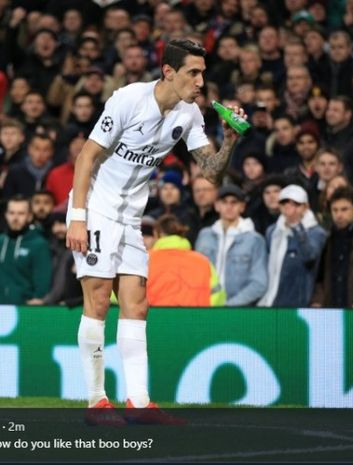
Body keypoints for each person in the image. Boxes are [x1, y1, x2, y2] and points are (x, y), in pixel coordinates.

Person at [65, 39, 245, 423]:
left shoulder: (191, 114)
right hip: (95, 208)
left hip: (131, 218)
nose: (201, 81)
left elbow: (211, 173)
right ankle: (96, 402)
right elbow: (86, 156)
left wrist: (229, 140)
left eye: (202, 73)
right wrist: (78, 217)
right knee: (97, 304)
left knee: (137, 306)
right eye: (193, 72)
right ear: (169, 72)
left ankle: (140, 402)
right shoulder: (128, 99)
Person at [195, 185, 267, 307]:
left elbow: (259, 283)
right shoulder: (204, 235)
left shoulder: (254, 240)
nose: (229, 206)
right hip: (205, 308)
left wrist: (229, 306)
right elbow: (195, 274)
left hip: (239, 311)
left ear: (242, 207)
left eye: (234, 202)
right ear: (217, 206)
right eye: (224, 202)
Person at [258, 184, 327, 307]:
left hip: (298, 302)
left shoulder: (316, 232)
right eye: (285, 204)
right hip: (271, 300)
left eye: (296, 204)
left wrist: (296, 225)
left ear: (306, 207)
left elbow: (309, 256)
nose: (289, 208)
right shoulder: (273, 231)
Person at [147, 214, 225, 307]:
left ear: (156, 234)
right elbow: (217, 295)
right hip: (196, 319)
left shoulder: (145, 260)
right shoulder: (203, 262)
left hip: (156, 319)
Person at [0, 195, 51, 305]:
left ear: (29, 216)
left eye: (21, 214)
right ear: (6, 215)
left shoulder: (39, 244)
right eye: (12, 213)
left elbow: (43, 279)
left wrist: (39, 298)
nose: (15, 218)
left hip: (27, 308)